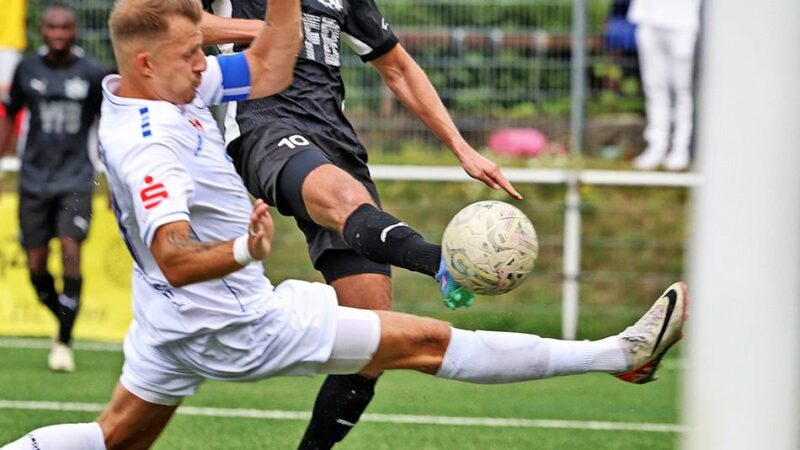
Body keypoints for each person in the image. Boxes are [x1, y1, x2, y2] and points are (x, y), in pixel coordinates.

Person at [0, 0, 687, 447]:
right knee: (421, 342)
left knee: (115, 436)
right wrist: (246, 246)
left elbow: (269, 57)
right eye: (194, 55)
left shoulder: (169, 81)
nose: (204, 66)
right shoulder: (149, 140)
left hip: (169, 322)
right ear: (153, 63)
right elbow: (177, 254)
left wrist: (461, 147)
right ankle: (616, 355)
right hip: (231, 316)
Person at [202, 0, 523, 446]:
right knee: (346, 199)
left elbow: (398, 68)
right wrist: (265, 28)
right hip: (265, 126)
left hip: (334, 139)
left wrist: (463, 150)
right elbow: (176, 26)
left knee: (371, 337)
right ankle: (442, 263)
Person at [0, 4, 106, 372]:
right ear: (42, 31)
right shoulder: (27, 69)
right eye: (52, 28)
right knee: (36, 266)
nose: (59, 34)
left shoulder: (92, 73)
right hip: (33, 180)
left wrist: (115, 179)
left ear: (74, 31)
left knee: (71, 249)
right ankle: (62, 317)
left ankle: (63, 341)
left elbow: (106, 126)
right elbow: (11, 115)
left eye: (65, 28)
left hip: (76, 179)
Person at [628, 0, 702, 171]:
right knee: (654, 88)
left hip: (684, 23)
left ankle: (681, 147)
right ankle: (656, 146)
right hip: (649, 18)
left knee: (683, 90)